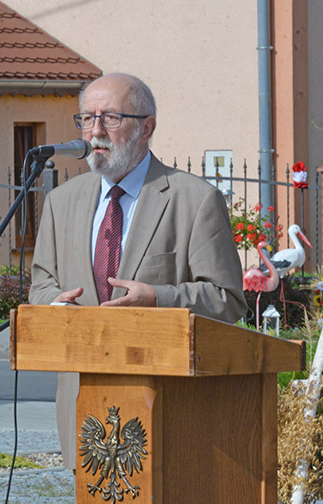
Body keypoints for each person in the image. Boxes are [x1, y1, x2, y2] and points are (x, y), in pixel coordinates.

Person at [28, 72, 247, 469]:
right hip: (84, 408)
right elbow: (42, 284)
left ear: (147, 128)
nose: (96, 131)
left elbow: (227, 299)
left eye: (110, 118)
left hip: (166, 411)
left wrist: (158, 299)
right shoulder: (61, 202)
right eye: (87, 118)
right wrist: (55, 304)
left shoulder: (195, 200)